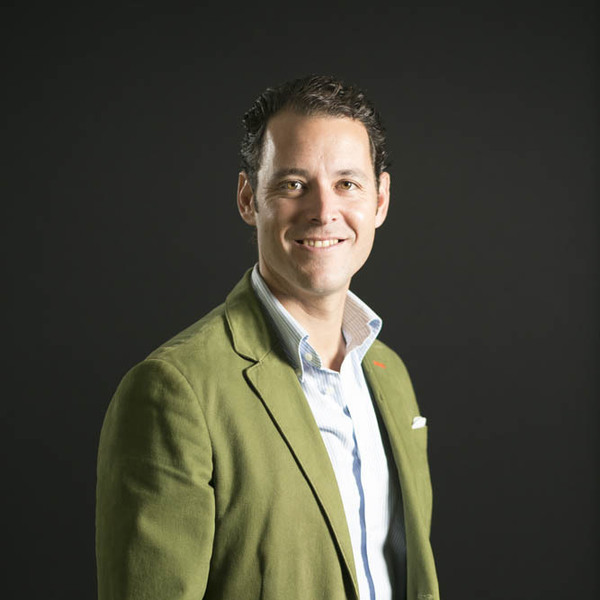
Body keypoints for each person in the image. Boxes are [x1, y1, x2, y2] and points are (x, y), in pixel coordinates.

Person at [96, 74, 439, 600]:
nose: (323, 210)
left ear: (380, 200)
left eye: (347, 183)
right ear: (248, 198)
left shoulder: (389, 375)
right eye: (293, 184)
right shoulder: (174, 391)